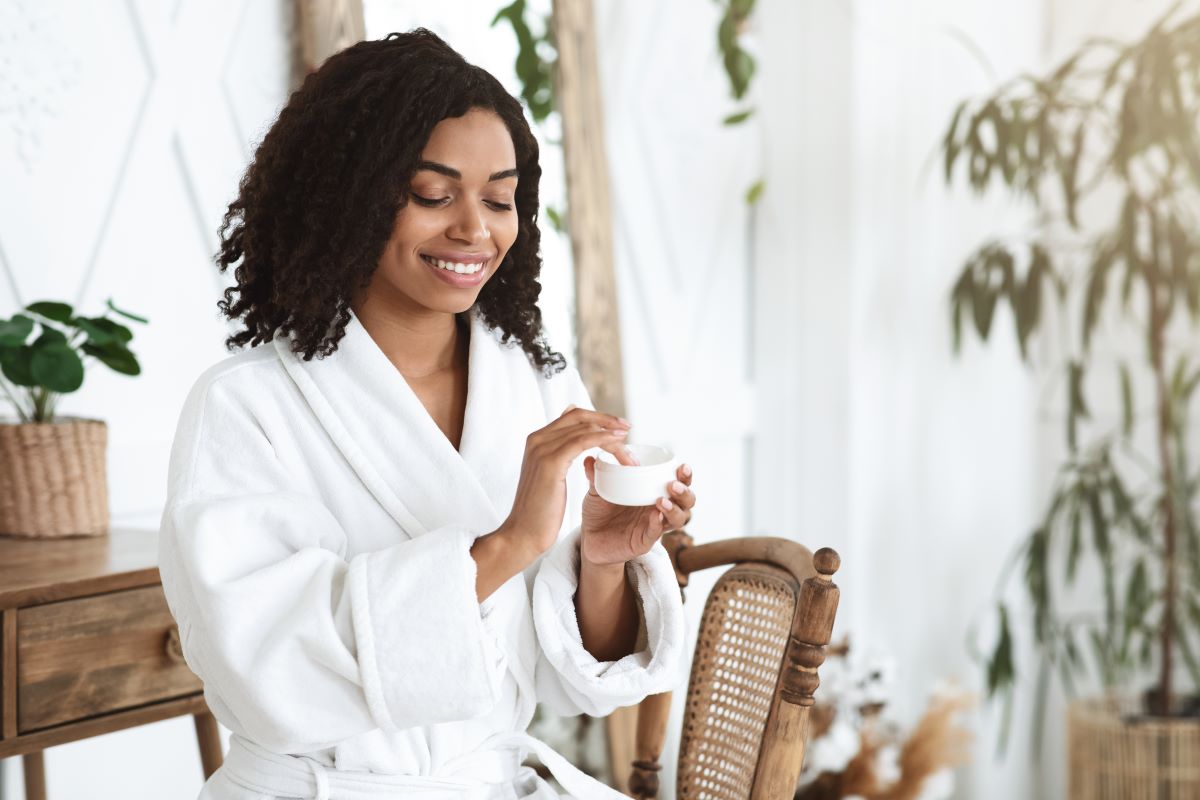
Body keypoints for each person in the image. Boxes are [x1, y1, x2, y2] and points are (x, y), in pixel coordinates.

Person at [158, 28, 696, 800]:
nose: (474, 230)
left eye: (500, 198)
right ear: (350, 195)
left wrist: (603, 563)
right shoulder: (246, 407)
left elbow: (583, 677)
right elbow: (268, 668)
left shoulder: (537, 384)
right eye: (433, 195)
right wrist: (508, 544)